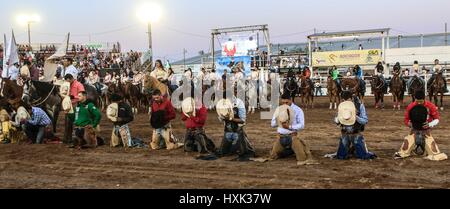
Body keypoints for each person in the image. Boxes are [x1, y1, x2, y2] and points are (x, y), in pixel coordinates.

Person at [394, 90, 447, 161]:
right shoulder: (411, 106)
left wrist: (429, 124)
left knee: (434, 151)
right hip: (414, 128)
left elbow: (437, 119)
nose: (419, 103)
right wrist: (409, 124)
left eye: (421, 101)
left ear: (424, 99)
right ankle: (409, 150)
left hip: (426, 129)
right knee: (405, 147)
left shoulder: (430, 105)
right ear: (415, 99)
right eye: (417, 101)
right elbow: (406, 119)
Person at [269, 94, 319, 165]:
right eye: (283, 103)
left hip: (293, 137)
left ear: (291, 100)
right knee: (273, 156)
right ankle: (291, 151)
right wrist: (279, 122)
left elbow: (302, 125)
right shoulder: (278, 109)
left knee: (302, 158)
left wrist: (289, 127)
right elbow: (272, 124)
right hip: (281, 137)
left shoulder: (298, 110)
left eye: (286, 102)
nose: (284, 104)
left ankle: (294, 149)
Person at [331, 90, 376, 160]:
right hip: (345, 134)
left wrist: (355, 117)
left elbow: (365, 120)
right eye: (344, 100)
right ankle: (352, 150)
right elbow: (336, 120)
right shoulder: (342, 107)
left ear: (352, 98)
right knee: (341, 156)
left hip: (356, 134)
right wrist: (338, 119)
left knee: (362, 156)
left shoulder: (359, 106)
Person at [63, 74, 85, 145]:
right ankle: (67, 139)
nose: (68, 82)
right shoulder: (67, 85)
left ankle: (75, 139)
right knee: (67, 122)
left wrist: (74, 96)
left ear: (71, 78)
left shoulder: (79, 85)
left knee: (75, 122)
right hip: (69, 105)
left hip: (76, 105)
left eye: (68, 81)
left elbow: (83, 96)